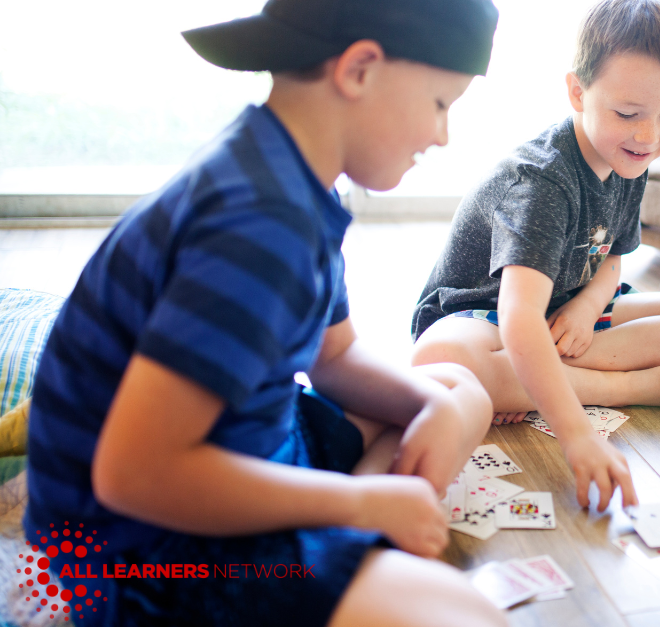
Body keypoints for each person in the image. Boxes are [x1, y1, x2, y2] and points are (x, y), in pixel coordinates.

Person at [23, 1, 508, 625]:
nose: (442, 135)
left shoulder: (294, 176)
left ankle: (351, 543)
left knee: (457, 392)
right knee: (468, 617)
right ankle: (350, 541)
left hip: (249, 449)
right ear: (359, 69)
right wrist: (359, 505)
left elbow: (332, 357)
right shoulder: (259, 223)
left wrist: (430, 408)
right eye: (441, 104)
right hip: (135, 550)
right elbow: (133, 475)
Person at [410, 0, 660, 513]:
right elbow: (518, 317)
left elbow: (612, 259)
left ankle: (530, 382)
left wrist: (586, 309)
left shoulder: (630, 155)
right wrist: (578, 433)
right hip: (483, 316)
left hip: (564, 307)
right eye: (628, 114)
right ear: (578, 91)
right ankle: (622, 387)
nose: (649, 136)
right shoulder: (543, 179)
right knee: (441, 360)